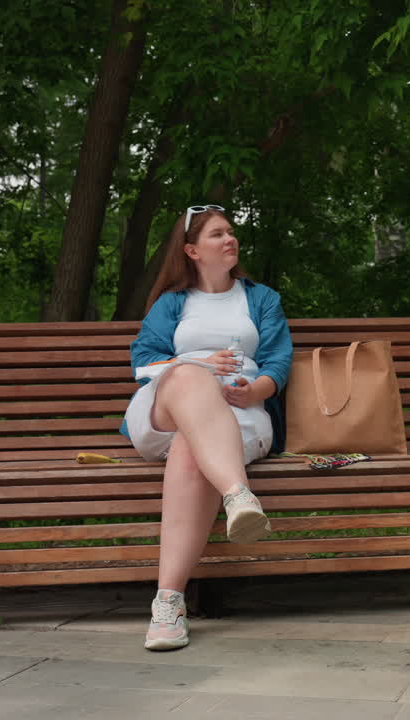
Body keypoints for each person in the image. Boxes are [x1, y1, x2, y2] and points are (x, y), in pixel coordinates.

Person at [120, 204, 293, 652]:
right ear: (192, 250)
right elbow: (143, 362)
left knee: (189, 452)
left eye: (231, 232)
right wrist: (196, 362)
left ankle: (168, 605)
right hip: (164, 413)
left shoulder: (261, 298)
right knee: (191, 378)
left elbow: (277, 361)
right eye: (218, 234)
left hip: (239, 416)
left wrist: (256, 390)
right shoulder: (172, 303)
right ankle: (237, 492)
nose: (229, 239)